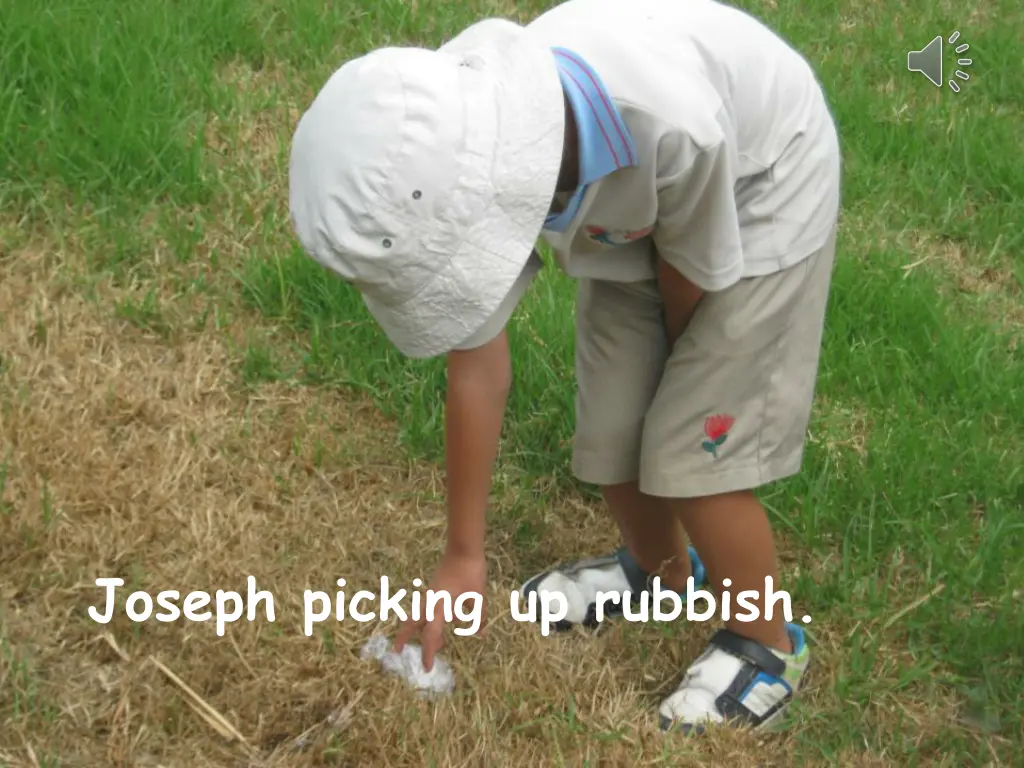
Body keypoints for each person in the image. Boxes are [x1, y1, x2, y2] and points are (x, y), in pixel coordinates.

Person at [288, 0, 840, 734]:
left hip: (759, 184)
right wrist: (462, 554)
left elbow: (691, 276)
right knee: (612, 434)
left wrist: (683, 386)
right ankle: (661, 576)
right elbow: (475, 368)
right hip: (637, 210)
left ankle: (766, 642)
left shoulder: (663, 120)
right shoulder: (447, 148)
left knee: (689, 455)